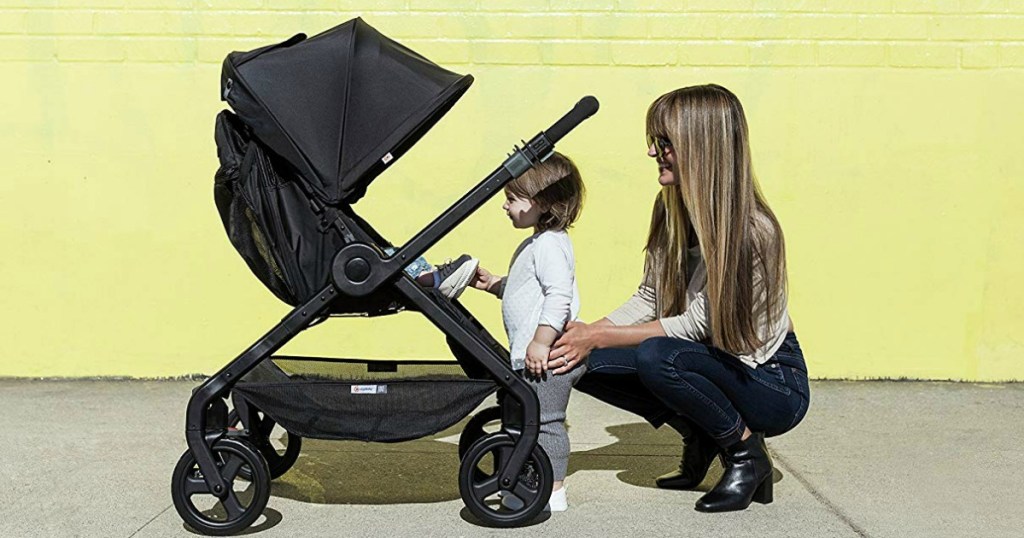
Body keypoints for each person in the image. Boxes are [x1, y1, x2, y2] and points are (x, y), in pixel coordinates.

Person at [545, 84, 810, 513]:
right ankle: (702, 434)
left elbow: (698, 324)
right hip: (712, 360)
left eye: (664, 142)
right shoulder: (670, 206)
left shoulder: (753, 232)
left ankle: (746, 455)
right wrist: (589, 333)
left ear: (701, 146)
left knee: (657, 357)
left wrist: (599, 336)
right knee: (576, 361)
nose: (653, 152)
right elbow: (650, 295)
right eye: (654, 141)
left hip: (771, 382)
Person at [471, 152, 586, 512]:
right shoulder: (538, 242)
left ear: (541, 203)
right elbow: (527, 289)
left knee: (548, 423)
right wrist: (495, 284)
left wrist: (540, 342)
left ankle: (553, 492)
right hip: (536, 355)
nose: (505, 207)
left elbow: (558, 296)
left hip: (547, 358)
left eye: (512, 200)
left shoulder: (550, 245)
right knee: (530, 420)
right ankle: (530, 479)